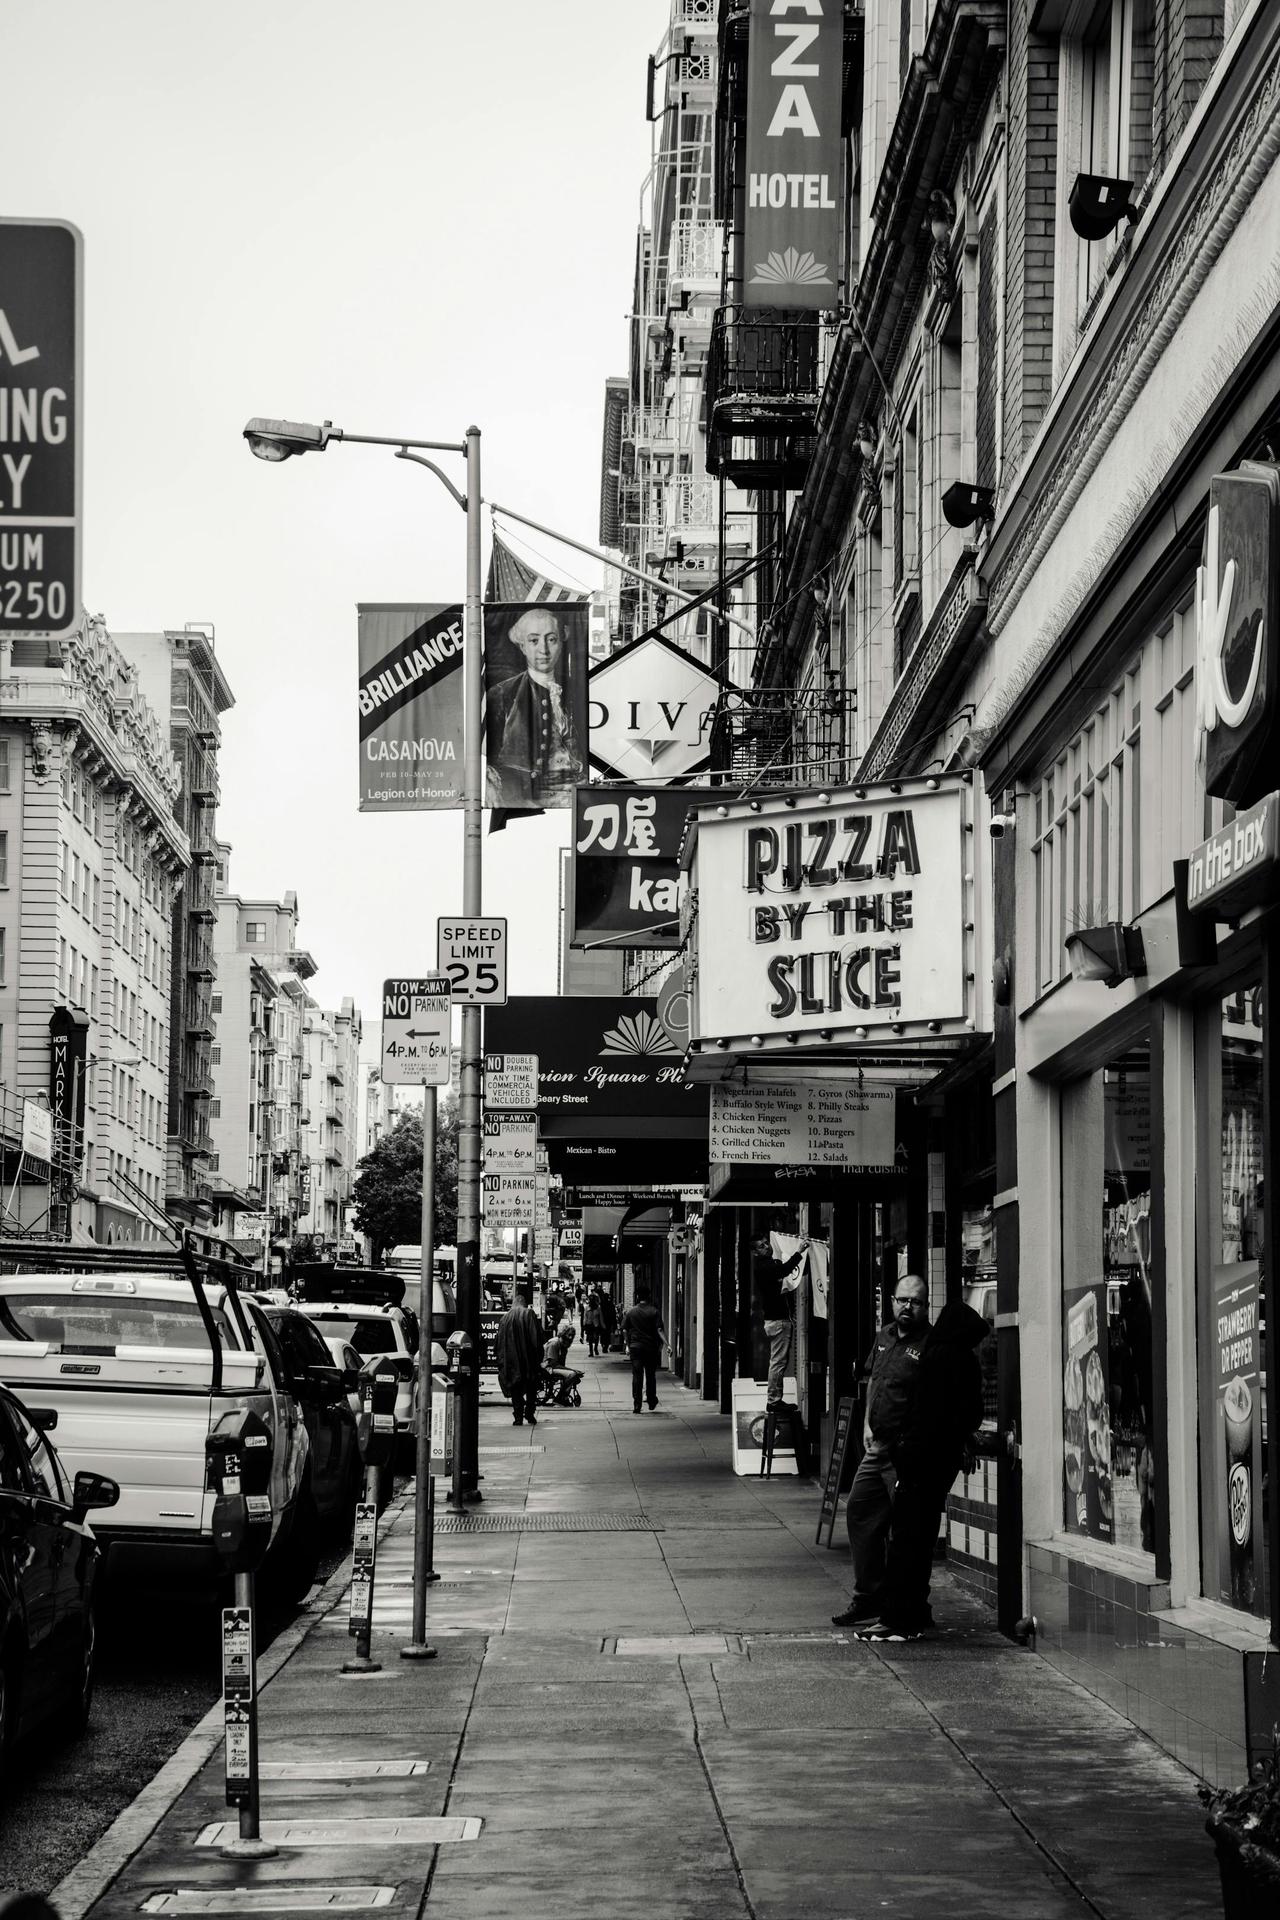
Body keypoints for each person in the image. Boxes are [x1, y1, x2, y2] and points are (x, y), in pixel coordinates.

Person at [861, 1298, 987, 1640]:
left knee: (905, 1541)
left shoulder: (933, 1358)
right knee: (921, 1537)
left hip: (917, 1460)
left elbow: (920, 1413)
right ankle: (913, 1612)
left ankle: (898, 1619)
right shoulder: (965, 1361)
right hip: (941, 1462)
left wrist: (903, 1449)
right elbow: (970, 1413)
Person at [832, 1274, 931, 1630]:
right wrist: (865, 1426)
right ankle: (868, 1595)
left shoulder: (929, 1344)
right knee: (859, 1511)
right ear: (892, 1301)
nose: (908, 1307)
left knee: (908, 1530)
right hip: (877, 1447)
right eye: (902, 1300)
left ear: (925, 1306)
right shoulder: (885, 1336)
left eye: (915, 1302)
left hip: (905, 1452)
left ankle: (913, 1605)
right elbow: (873, 1378)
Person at [484, 607, 584, 807]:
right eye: (534, 640)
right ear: (522, 646)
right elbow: (489, 760)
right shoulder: (502, 694)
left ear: (561, 642)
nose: (543, 650)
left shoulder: (579, 689)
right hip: (524, 798)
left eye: (551, 639)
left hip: (575, 797)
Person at [751, 1226, 809, 1407]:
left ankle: (776, 1399)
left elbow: (783, 1270)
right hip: (777, 1321)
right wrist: (799, 1252)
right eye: (761, 1246)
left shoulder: (769, 1264)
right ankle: (774, 1400)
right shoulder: (764, 1267)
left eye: (766, 1243)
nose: (767, 1247)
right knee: (778, 1362)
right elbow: (784, 1270)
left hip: (776, 1320)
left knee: (779, 1361)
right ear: (755, 1252)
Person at [494, 1283, 545, 1428]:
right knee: (531, 1389)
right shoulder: (528, 1314)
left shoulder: (505, 1318)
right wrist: (539, 1358)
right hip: (527, 1361)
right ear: (524, 1303)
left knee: (516, 1390)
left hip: (511, 1361)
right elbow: (536, 1339)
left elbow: (498, 1343)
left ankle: (517, 1417)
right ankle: (529, 1413)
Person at [622, 1281, 664, 1413]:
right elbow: (659, 1330)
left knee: (637, 1376)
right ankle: (651, 1400)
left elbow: (624, 1330)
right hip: (650, 1348)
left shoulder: (631, 1312)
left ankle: (637, 1405)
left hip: (635, 1347)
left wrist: (628, 1345)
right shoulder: (654, 1311)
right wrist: (667, 1344)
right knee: (650, 1375)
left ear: (637, 1297)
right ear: (649, 1296)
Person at [584, 1288, 604, 1357]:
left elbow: (600, 1317)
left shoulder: (598, 1308)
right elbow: (585, 1317)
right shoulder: (586, 1308)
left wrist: (602, 1325)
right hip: (589, 1324)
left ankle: (595, 1348)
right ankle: (591, 1351)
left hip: (596, 1324)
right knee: (590, 1338)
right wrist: (584, 1325)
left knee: (596, 1337)